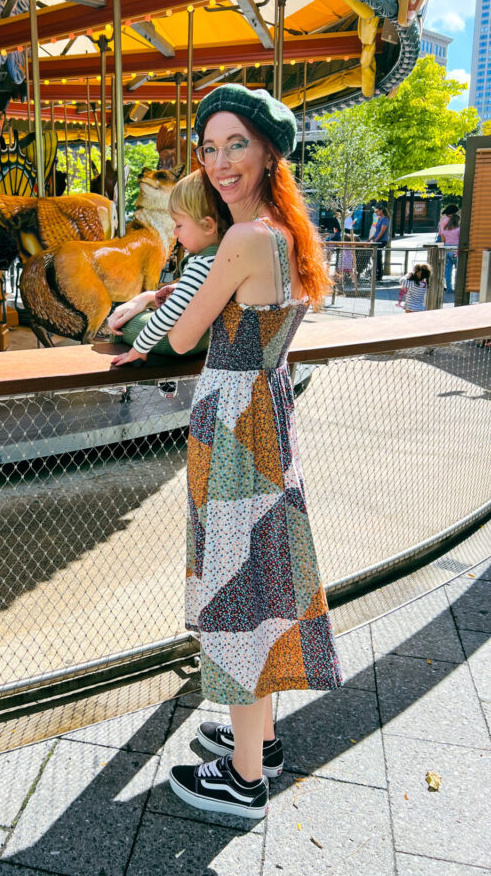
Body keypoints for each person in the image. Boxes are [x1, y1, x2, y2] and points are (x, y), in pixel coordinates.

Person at [163, 84, 342, 820]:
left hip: (233, 425)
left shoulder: (239, 240)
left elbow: (181, 337)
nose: (220, 161)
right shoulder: (284, 231)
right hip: (266, 416)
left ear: (269, 151)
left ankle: (242, 781)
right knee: (263, 579)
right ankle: (257, 742)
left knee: (237, 592)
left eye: (236, 144)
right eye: (209, 147)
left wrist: (166, 287)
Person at [108, 171, 224, 365]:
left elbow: (171, 312)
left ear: (207, 225)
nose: (175, 233)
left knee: (125, 324)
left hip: (186, 341)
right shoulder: (222, 255)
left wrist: (139, 349)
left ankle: (125, 382)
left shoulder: (202, 263)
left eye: (179, 225)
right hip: (206, 339)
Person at [437, 204, 460, 294]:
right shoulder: (458, 229)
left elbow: (442, 237)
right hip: (456, 250)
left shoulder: (443, 221)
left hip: (446, 247)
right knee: (458, 269)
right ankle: (457, 287)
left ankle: (449, 288)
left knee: (447, 269)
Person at [371, 205, 390, 281]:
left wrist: (376, 240)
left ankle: (379, 274)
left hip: (381, 240)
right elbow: (377, 231)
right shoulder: (379, 219)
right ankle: (376, 273)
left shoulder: (385, 219)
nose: (376, 212)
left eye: (377, 211)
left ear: (381, 210)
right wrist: (370, 239)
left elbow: (382, 231)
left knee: (378, 256)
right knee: (375, 256)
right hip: (377, 240)